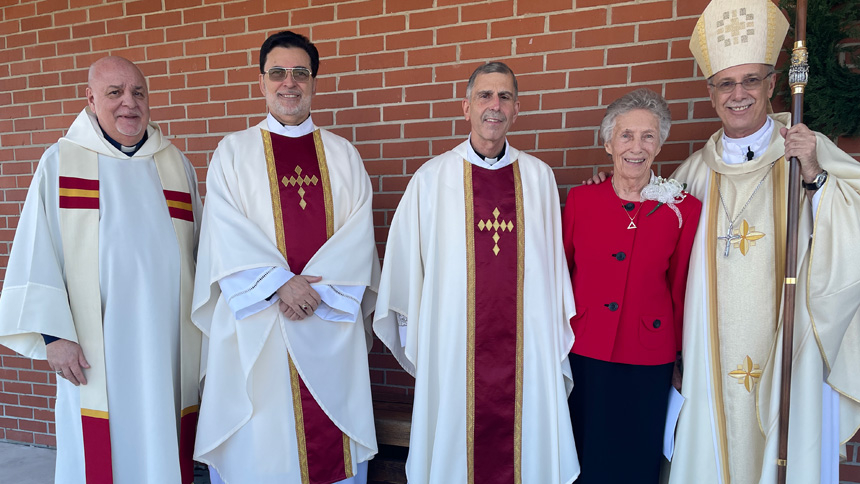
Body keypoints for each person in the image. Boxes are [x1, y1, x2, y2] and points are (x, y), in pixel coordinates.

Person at [664, 1, 860, 482]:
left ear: (773, 84)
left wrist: (815, 177)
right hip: (708, 360)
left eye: (751, 80)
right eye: (726, 83)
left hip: (791, 354)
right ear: (711, 93)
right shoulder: (689, 175)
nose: (738, 95)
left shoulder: (808, 152)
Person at [374, 61, 579, 483]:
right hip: (455, 349)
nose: (495, 105)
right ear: (465, 107)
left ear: (516, 110)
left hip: (526, 347)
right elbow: (404, 266)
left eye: (504, 97)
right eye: (485, 95)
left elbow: (552, 272)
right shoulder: (432, 179)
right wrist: (424, 337)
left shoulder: (538, 179)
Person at [192, 31, 382, 484]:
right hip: (258, 322)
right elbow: (225, 231)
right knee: (261, 436)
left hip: (325, 318)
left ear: (314, 82)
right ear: (261, 82)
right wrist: (279, 283)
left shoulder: (343, 155)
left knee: (328, 440)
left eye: (300, 73)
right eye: (277, 73)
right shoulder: (232, 152)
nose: (289, 83)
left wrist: (310, 293)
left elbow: (358, 236)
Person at [0, 56, 201, 483]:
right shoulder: (60, 163)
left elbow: (202, 254)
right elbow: (37, 252)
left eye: (138, 93)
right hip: (96, 350)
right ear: (90, 99)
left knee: (163, 439)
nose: (129, 103)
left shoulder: (175, 165)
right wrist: (55, 337)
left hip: (168, 345)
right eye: (115, 93)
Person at [562, 88, 701, 483]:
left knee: (637, 458)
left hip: (649, 356)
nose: (636, 147)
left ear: (660, 144)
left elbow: (679, 287)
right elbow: (564, 274)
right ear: (608, 142)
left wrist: (677, 357)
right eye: (626, 135)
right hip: (585, 348)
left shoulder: (684, 210)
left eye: (648, 136)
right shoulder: (581, 201)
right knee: (582, 452)